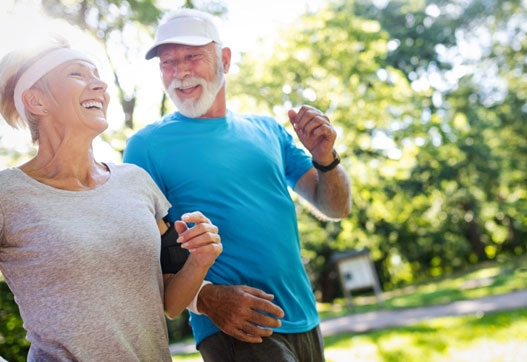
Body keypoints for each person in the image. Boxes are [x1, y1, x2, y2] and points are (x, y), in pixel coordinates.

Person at [123, 8, 351, 362]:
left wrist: (326, 158)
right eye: (168, 63)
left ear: (224, 60)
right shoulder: (146, 146)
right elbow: (142, 254)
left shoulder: (268, 130)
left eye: (192, 57)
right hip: (234, 326)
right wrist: (207, 298)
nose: (179, 72)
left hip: (304, 317)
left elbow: (335, 207)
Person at [0, 35, 222, 361]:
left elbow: (170, 304)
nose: (100, 85)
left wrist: (200, 260)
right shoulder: (8, 194)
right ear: (37, 101)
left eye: (97, 75)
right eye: (78, 74)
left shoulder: (137, 182)